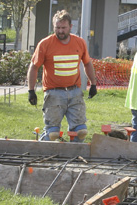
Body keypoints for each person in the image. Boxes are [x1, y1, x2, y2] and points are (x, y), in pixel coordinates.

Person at [27, 10, 97, 142]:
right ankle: (43, 155)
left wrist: (93, 84)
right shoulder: (45, 44)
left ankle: (74, 156)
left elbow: (87, 63)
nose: (60, 31)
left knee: (80, 131)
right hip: (54, 93)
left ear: (71, 27)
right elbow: (34, 66)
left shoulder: (79, 42)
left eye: (63, 28)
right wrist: (31, 90)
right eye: (57, 28)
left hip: (74, 91)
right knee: (52, 133)